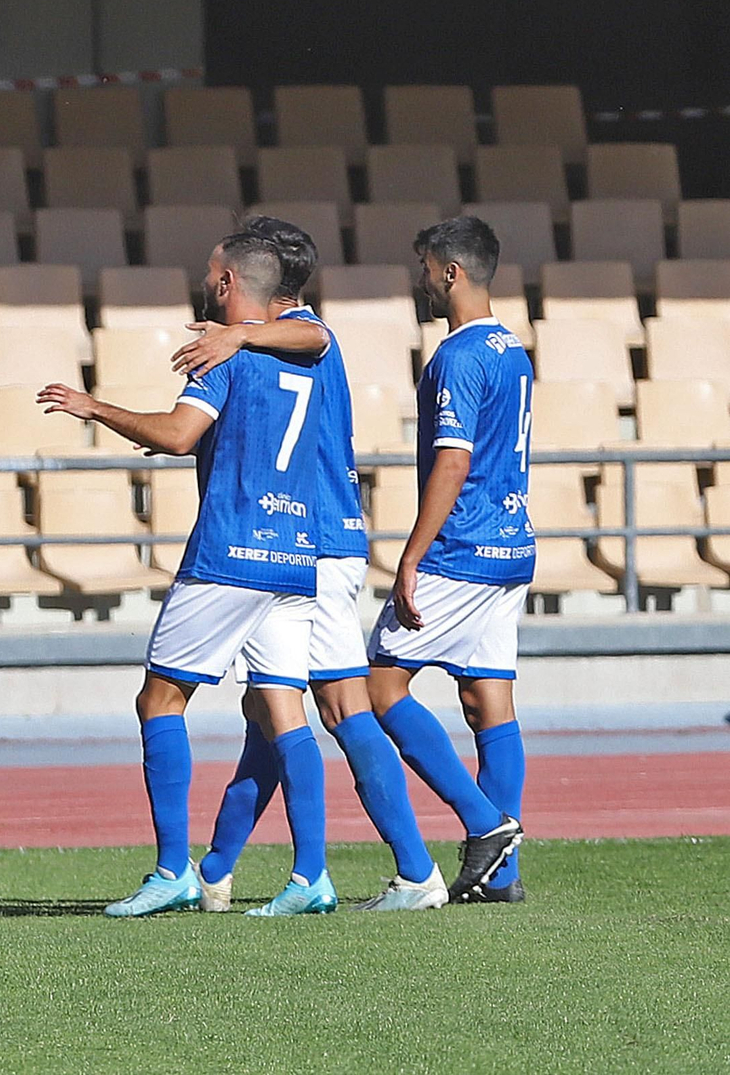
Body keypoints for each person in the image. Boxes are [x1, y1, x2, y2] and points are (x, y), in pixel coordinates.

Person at [37, 231, 336, 918]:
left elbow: (177, 433)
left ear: (229, 283)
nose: (205, 282)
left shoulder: (225, 355)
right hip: (294, 552)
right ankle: (311, 876)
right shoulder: (306, 355)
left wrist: (95, 407)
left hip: (229, 553)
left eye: (211, 273)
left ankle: (173, 870)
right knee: (285, 710)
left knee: (160, 700)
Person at [170, 217, 446, 911]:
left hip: (308, 541)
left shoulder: (298, 332)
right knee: (274, 710)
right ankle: (218, 867)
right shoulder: (286, 338)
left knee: (323, 706)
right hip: (325, 539)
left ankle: (410, 871)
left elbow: (314, 335)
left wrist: (238, 334)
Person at [366, 216, 530, 903]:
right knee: (487, 699)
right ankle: (502, 879)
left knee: (378, 686)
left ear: (451, 272)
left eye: (426, 269)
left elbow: (454, 460)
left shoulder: (457, 356)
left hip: (461, 548)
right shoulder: (512, 348)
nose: (423, 281)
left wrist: (411, 556)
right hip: (512, 545)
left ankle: (485, 825)